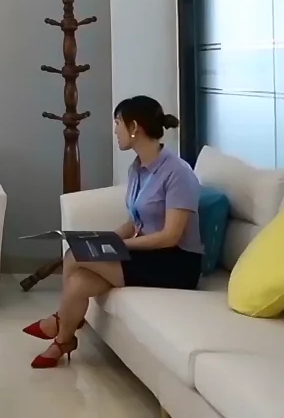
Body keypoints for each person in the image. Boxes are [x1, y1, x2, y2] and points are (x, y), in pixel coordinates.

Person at [24, 95, 202, 369]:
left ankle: (61, 322)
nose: (115, 130)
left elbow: (171, 236)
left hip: (176, 262)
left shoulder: (178, 173)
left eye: (118, 123)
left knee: (75, 255)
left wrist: (122, 246)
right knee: (79, 280)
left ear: (134, 127)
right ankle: (64, 339)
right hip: (148, 252)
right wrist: (106, 239)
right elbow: (134, 222)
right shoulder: (137, 169)